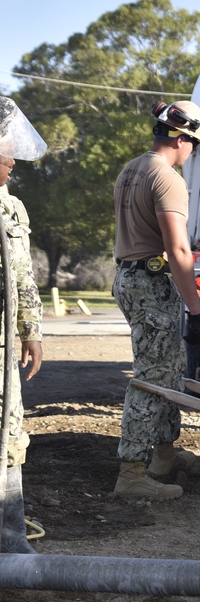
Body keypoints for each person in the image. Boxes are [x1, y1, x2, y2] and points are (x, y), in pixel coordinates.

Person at [112, 100, 200, 499]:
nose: (192, 153)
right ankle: (132, 472)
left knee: (166, 366)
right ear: (183, 139)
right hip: (150, 283)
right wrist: (198, 311)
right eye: (195, 145)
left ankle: (165, 453)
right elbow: (179, 250)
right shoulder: (168, 178)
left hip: (129, 276)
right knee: (152, 376)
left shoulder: (130, 169)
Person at [0, 97, 46, 552]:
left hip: (2, 350)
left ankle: (10, 541)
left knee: (11, 433)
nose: (13, 162)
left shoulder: (12, 208)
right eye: (5, 152)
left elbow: (24, 275)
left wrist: (31, 331)